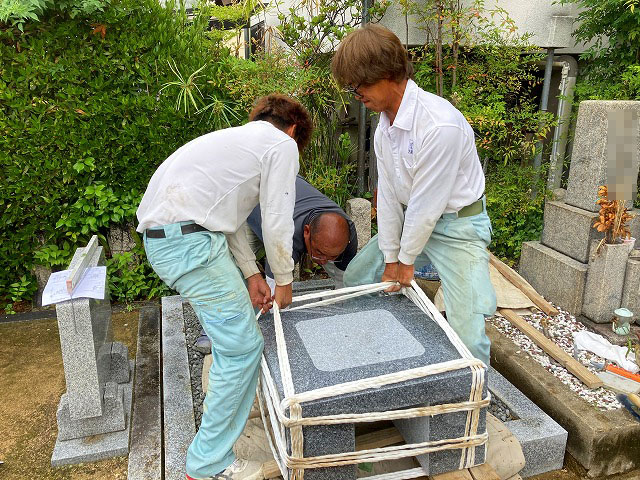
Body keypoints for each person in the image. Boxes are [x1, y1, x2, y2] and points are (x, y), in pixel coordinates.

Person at [136, 94, 313, 480]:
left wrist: (252, 275)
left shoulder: (233, 141)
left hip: (176, 240)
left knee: (235, 342)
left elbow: (224, 219)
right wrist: (283, 281)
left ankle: (214, 442)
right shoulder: (281, 144)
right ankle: (208, 465)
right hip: (190, 245)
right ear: (295, 130)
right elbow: (277, 219)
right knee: (242, 348)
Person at [331, 24, 496, 365]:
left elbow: (427, 205)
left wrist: (404, 263)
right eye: (352, 86)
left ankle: (475, 400)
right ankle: (378, 352)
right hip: (417, 221)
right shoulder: (385, 126)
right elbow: (390, 195)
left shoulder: (439, 125)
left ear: (389, 74)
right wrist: (391, 257)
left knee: (467, 331)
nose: (356, 93)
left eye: (360, 84)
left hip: (458, 228)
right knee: (359, 277)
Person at [194, 175, 359, 353]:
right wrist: (288, 342)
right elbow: (276, 298)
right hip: (253, 210)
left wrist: (344, 318)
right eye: (318, 254)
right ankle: (214, 331)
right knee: (236, 272)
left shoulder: (347, 238)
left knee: (340, 268)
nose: (323, 261)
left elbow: (345, 282)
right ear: (306, 232)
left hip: (285, 199)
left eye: (330, 256)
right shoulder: (285, 237)